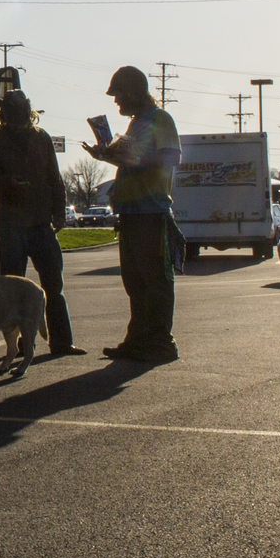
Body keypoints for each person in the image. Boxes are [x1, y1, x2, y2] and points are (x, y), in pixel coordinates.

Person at [82, 65, 181, 363]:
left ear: (135, 92)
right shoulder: (137, 122)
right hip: (132, 213)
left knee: (155, 281)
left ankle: (161, 343)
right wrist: (110, 155)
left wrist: (131, 159)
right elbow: (133, 160)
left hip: (152, 212)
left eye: (119, 94)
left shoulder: (159, 119)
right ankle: (138, 341)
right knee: (135, 282)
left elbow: (171, 156)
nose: (116, 102)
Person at [0, 89, 81, 355]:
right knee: (12, 290)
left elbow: (54, 179)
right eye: (11, 108)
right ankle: (22, 345)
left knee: (53, 287)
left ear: (28, 109)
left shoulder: (41, 138)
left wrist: (59, 212)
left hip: (40, 224)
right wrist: (6, 183)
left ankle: (62, 342)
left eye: (21, 107)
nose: (17, 112)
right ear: (4, 113)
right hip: (11, 225)